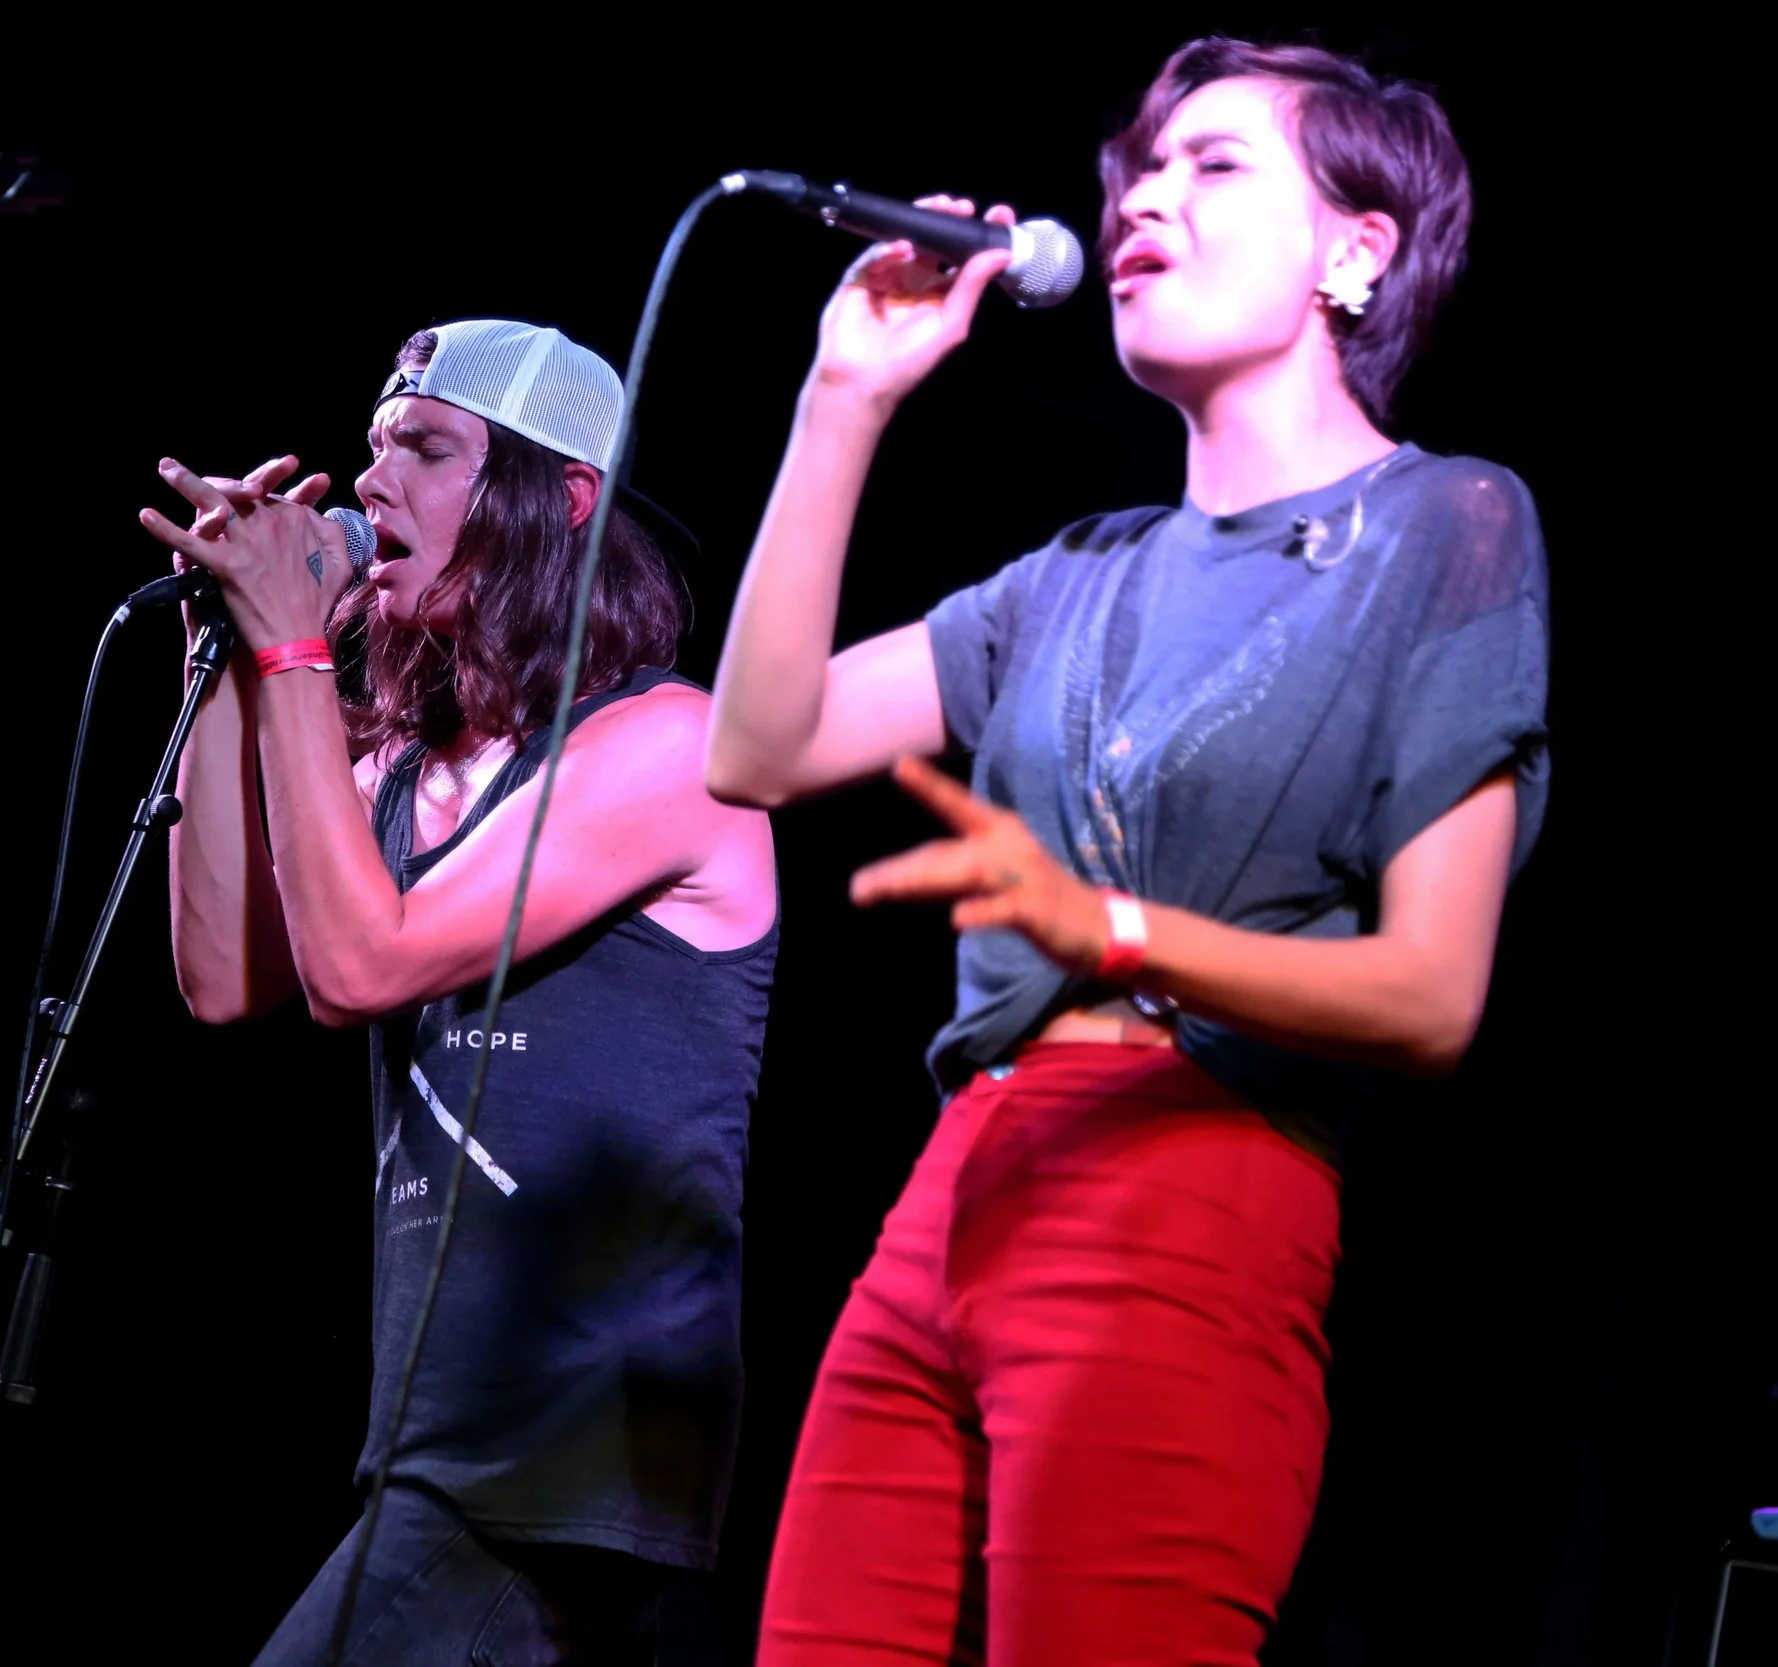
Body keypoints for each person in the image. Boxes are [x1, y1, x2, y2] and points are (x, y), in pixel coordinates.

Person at [705, 37, 1550, 1667]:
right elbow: (759, 747)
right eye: (1139, 173)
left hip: (1189, 1182)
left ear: (1356, 248)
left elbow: (1434, 993)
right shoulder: (1071, 574)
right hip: (952, 1190)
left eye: (1214, 165)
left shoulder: (1445, 524)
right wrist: (842, 402)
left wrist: (1107, 928)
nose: (1145, 201)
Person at [143, 319, 779, 1666]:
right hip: (438, 1440)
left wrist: (294, 655)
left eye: (427, 450)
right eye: (374, 448)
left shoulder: (674, 746)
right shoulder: (392, 777)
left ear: (563, 500)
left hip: (570, 1445)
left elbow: (360, 966)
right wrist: (225, 659)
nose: (374, 482)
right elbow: (226, 978)